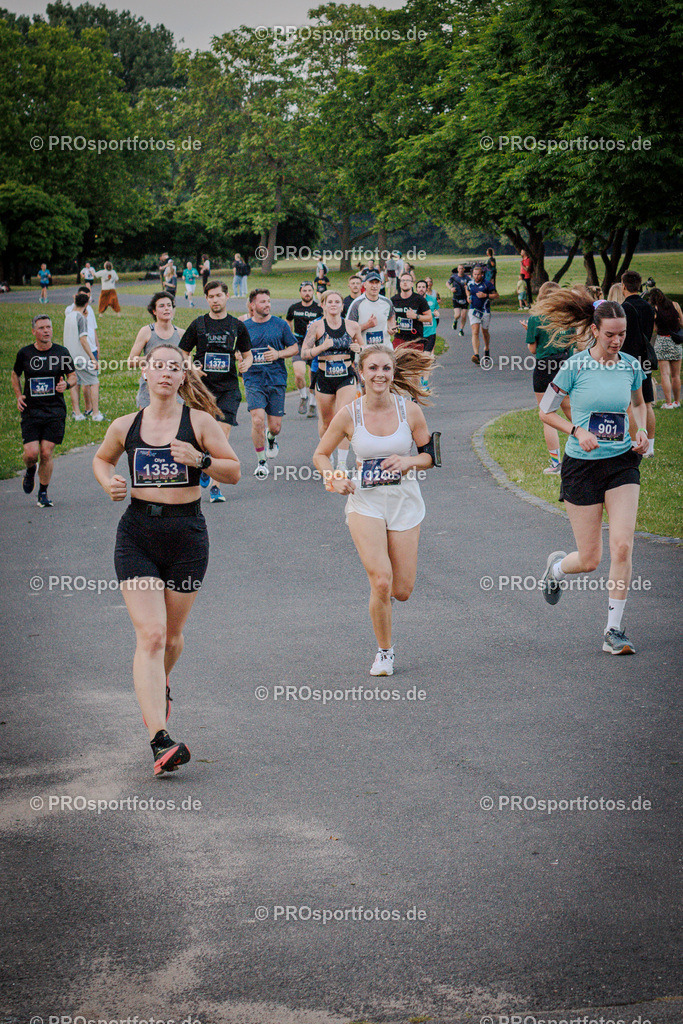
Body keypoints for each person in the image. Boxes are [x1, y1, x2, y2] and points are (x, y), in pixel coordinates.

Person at [92, 344, 241, 776]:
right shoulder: (125, 425)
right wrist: (109, 482)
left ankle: (159, 687)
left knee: (172, 638)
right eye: (157, 366)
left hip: (188, 536)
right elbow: (101, 460)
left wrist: (202, 459)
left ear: (182, 377)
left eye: (173, 368)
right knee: (152, 635)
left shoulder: (199, 423)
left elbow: (233, 470)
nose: (164, 373)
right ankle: (160, 739)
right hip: (137, 534)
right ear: (145, 371)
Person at [313, 344, 439, 676]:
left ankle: (384, 598)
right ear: (361, 372)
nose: (379, 375)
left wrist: (409, 460)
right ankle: (385, 651)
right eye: (373, 369)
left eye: (386, 368)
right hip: (365, 502)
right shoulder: (349, 414)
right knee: (381, 581)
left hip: (404, 501)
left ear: (393, 373)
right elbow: (320, 455)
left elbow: (430, 456)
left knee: (402, 590)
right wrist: (334, 477)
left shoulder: (409, 410)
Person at [536, 296, 649, 655]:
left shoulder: (631, 365)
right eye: (610, 335)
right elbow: (545, 411)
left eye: (623, 335)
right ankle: (556, 569)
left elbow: (639, 403)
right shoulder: (575, 366)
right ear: (595, 331)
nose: (617, 341)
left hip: (621, 462)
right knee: (589, 560)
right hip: (582, 465)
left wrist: (642, 432)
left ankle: (614, 630)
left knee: (623, 545)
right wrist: (576, 431)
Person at [179, 280, 253, 500]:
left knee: (222, 434)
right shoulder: (198, 324)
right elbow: (183, 352)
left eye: (219, 296)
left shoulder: (236, 326)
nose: (215, 300)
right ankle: (204, 464)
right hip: (201, 389)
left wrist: (246, 364)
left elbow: (248, 354)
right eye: (211, 297)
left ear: (226, 296)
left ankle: (215, 485)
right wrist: (192, 369)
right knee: (200, 435)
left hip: (228, 388)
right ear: (207, 299)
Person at [11, 314, 77, 507]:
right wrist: (18, 395)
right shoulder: (25, 354)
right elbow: (15, 374)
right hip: (31, 410)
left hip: (54, 410)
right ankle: (31, 469)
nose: (46, 330)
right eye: (41, 328)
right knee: (31, 453)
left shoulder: (61, 352)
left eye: (48, 327)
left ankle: (43, 493)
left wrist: (67, 385)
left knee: (46, 453)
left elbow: (73, 375)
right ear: (34, 331)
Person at [302, 291, 363, 473]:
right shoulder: (316, 327)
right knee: (327, 422)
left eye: (337, 301)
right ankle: (326, 455)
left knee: (342, 417)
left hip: (346, 375)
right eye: (330, 302)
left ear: (342, 306)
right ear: (323, 305)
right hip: (324, 377)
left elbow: (365, 349)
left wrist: (359, 348)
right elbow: (304, 352)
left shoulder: (352, 326)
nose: (334, 304)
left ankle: (342, 464)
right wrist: (321, 347)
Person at [242, 289, 299, 479]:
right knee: (257, 419)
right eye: (262, 302)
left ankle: (271, 438)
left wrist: (278, 354)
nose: (267, 305)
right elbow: (236, 351)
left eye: (268, 301)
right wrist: (241, 358)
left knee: (275, 427)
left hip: (276, 378)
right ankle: (261, 461)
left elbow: (294, 347)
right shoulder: (244, 327)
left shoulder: (280, 324)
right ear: (252, 305)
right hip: (253, 379)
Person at [525, 281, 573, 474]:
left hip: (545, 367)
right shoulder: (568, 317)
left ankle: (556, 464)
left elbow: (533, 349)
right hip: (565, 364)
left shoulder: (536, 318)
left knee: (548, 415)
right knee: (573, 412)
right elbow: (571, 343)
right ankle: (590, 446)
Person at [128, 292, 185, 410]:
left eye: (169, 305)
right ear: (154, 311)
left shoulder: (180, 334)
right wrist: (154, 359)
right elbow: (131, 361)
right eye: (162, 306)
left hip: (175, 391)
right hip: (149, 392)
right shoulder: (147, 332)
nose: (167, 309)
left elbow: (186, 362)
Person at [621, 271, 657, 455]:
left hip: (628, 359)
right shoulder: (648, 307)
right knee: (647, 402)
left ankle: (634, 444)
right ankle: (649, 446)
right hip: (646, 357)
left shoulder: (623, 308)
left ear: (623, 286)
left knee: (631, 404)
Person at [286, 282, 324, 415]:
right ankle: (303, 396)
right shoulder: (294, 308)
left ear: (313, 292)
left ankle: (313, 403)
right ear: (300, 292)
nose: (307, 293)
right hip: (299, 343)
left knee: (313, 375)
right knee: (298, 374)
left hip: (315, 344)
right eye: (304, 291)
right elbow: (288, 321)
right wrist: (289, 336)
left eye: (309, 290)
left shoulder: (319, 309)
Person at [63, 291, 101, 422]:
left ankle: (77, 413)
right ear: (86, 304)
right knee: (94, 382)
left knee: (75, 383)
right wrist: (93, 358)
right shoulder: (81, 318)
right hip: (81, 356)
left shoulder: (69, 315)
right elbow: (83, 340)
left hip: (69, 356)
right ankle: (95, 414)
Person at [648, 288, 683, 409]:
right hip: (676, 342)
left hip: (662, 341)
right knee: (676, 375)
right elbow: (682, 322)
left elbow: (655, 329)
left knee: (665, 374)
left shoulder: (655, 309)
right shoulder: (676, 305)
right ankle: (677, 401)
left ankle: (668, 403)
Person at [347, 272, 395, 348]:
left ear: (381, 284)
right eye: (371, 283)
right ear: (365, 285)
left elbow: (391, 317)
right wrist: (367, 325)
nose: (374, 286)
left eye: (377, 283)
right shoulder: (357, 304)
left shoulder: (387, 302)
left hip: (385, 350)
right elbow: (349, 331)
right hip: (365, 351)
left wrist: (392, 328)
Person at [391, 272, 432, 351]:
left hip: (415, 339)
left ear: (412, 284)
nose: (405, 282)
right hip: (399, 338)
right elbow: (389, 318)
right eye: (403, 281)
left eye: (407, 280)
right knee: (397, 362)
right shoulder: (394, 300)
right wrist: (392, 326)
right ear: (400, 284)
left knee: (414, 363)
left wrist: (416, 316)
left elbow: (429, 318)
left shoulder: (419, 299)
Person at [467, 264, 498, 364]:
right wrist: (468, 297)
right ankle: (476, 355)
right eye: (475, 274)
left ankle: (487, 348)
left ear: (482, 275)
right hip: (473, 310)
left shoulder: (487, 284)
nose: (476, 276)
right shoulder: (470, 283)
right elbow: (467, 289)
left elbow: (496, 295)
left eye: (478, 274)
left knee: (484, 332)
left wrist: (486, 295)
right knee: (475, 331)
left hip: (485, 311)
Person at [417, 279, 439, 355]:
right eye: (419, 287)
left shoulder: (432, 299)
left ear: (426, 288)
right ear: (416, 288)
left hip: (430, 331)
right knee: (419, 356)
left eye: (423, 287)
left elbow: (436, 312)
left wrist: (436, 314)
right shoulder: (413, 300)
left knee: (426, 355)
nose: (421, 289)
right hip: (418, 332)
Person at [447, 265, 469, 336]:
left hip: (465, 299)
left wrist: (468, 288)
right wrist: (451, 288)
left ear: (464, 269)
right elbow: (447, 283)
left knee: (464, 316)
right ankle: (455, 320)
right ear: (457, 269)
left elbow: (471, 285)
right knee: (457, 315)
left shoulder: (467, 278)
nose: (461, 270)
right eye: (459, 269)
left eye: (462, 268)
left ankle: (461, 330)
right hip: (456, 298)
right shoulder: (454, 277)